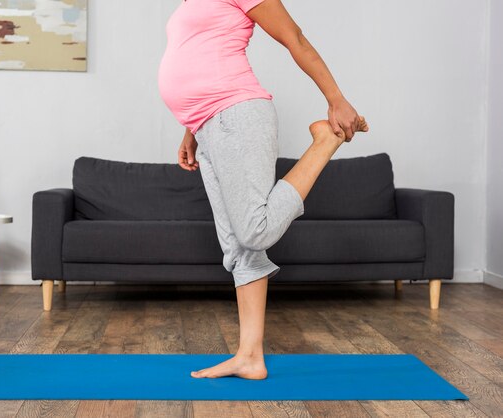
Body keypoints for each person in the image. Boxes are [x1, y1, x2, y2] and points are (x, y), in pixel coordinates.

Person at [158, 0, 369, 379]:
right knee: (238, 249)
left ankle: (324, 143)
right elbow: (200, 58)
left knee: (255, 230)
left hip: (237, 116)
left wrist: (336, 99)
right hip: (208, 125)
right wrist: (190, 130)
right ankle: (250, 357)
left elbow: (295, 38)